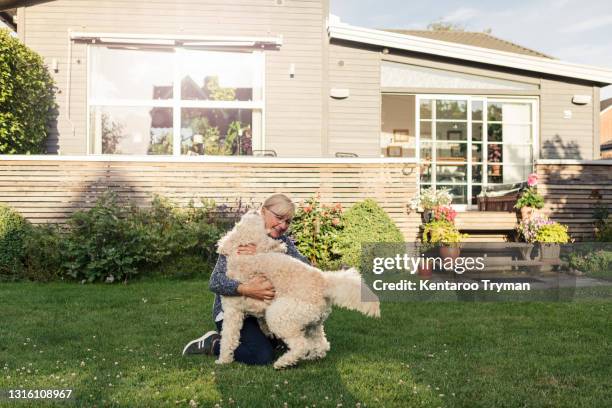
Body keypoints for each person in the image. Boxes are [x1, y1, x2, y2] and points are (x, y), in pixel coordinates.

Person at [182, 193, 309, 365]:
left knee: (287, 344)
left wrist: (269, 252)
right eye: (279, 218)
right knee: (261, 357)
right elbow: (215, 282)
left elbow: (307, 268)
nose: (282, 225)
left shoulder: (281, 241)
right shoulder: (240, 237)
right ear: (263, 211)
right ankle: (213, 343)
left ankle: (267, 338)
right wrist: (247, 289)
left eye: (287, 221)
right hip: (235, 310)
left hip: (265, 311)